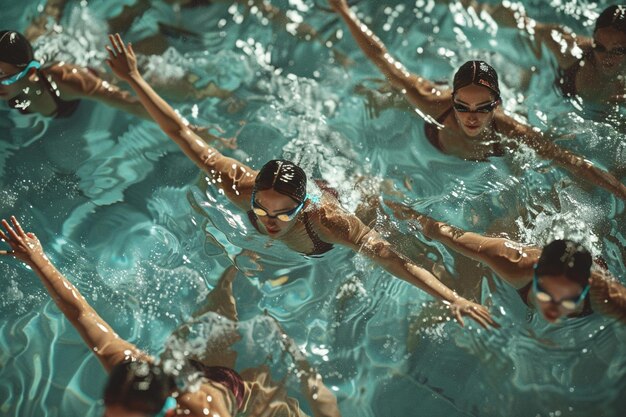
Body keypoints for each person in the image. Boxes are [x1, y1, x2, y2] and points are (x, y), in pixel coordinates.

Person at [104, 32, 496, 328]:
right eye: (261, 207)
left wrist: (450, 297)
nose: (269, 221)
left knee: (390, 229)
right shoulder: (239, 185)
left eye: (282, 213)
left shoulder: (327, 221)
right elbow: (182, 132)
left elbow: (393, 260)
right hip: (308, 199)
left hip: (349, 200)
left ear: (303, 206)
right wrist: (136, 78)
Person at [0, 216, 341, 417]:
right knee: (223, 298)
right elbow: (81, 315)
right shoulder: (133, 377)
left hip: (247, 395)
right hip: (202, 364)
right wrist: (38, 259)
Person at [327, 0, 626, 201]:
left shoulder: (508, 128)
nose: (472, 117)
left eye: (483, 108)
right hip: (431, 100)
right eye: (462, 107)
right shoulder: (432, 102)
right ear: (453, 100)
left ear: (496, 105)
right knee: (382, 94)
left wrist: (618, 189)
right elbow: (381, 57)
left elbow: (564, 158)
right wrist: (342, 10)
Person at [385, 201, 626, 324]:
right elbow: (443, 233)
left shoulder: (605, 295)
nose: (555, 307)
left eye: (569, 298)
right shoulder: (511, 261)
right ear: (536, 275)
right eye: (546, 292)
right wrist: (405, 214)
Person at [0, 29, 235, 147]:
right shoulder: (14, 81)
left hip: (98, 68)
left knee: (184, 87)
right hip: (59, 44)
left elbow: (130, 103)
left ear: (30, 73)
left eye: (3, 77)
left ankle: (168, 33)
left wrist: (189, 129)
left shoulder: (66, 81)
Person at [451, 2, 626, 105]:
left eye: (618, 50)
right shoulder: (570, 52)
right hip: (542, 80)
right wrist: (470, 7)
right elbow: (521, 22)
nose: (605, 57)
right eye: (599, 47)